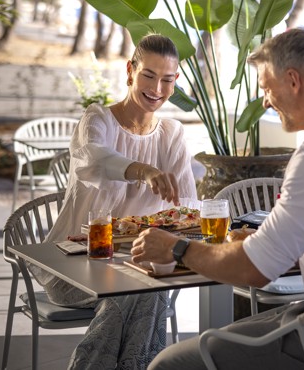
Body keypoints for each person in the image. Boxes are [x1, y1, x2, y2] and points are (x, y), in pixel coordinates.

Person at [132, 28, 304, 370]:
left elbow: (255, 271)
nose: (264, 101)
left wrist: (175, 248)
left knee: (170, 364)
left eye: (266, 88)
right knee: (229, 333)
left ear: (293, 81)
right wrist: (264, 241)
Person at [35, 33, 197, 369]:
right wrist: (144, 171)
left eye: (167, 80)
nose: (157, 88)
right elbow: (96, 159)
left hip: (135, 264)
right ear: (130, 71)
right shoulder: (97, 121)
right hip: (74, 264)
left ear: (175, 82)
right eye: (148, 75)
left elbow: (187, 210)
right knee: (140, 290)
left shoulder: (172, 134)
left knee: (145, 287)